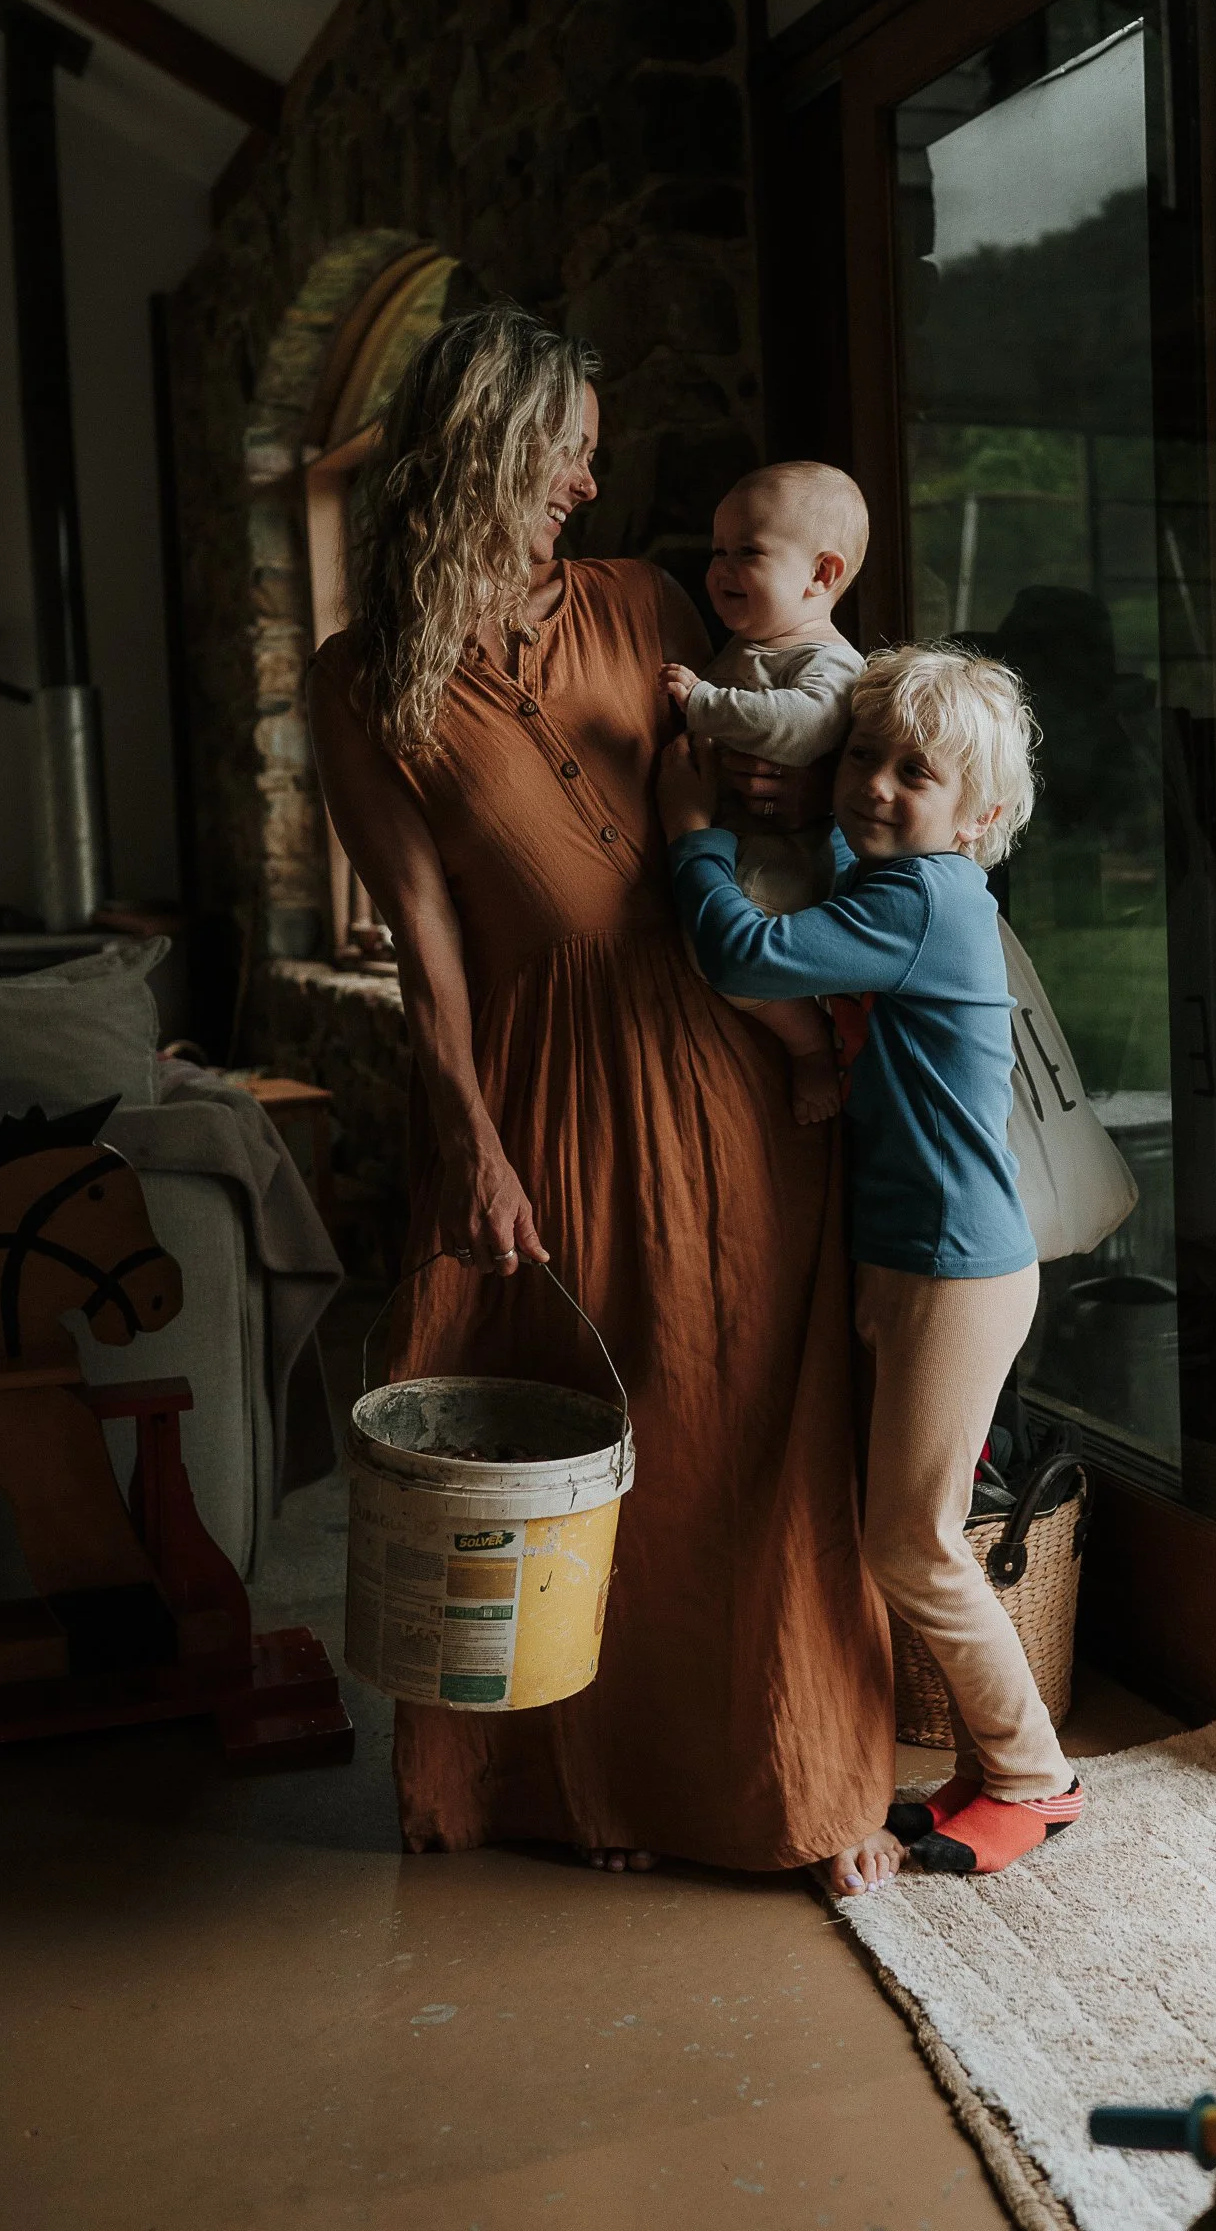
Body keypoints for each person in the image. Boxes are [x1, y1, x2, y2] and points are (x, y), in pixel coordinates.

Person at [307, 301, 899, 1893]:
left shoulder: (646, 598)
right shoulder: (360, 679)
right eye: (565, 452)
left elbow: (808, 741)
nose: (585, 484)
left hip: (723, 1045)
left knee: (749, 1425)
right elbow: (425, 939)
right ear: (490, 450)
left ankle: (798, 1786)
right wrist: (471, 1143)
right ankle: (588, 1790)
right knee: (591, 1427)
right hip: (551, 1082)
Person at [659, 643, 1086, 1878]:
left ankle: (1033, 1777)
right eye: (861, 756)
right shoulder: (893, 884)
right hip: (917, 1258)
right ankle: (986, 1768)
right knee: (910, 1525)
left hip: (955, 1270)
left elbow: (740, 953)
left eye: (916, 772)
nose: (876, 787)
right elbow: (840, 866)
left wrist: (693, 835)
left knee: (914, 1540)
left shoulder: (923, 903)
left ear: (981, 818)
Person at [658, 460, 869, 1124]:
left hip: (781, 859)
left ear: (822, 575)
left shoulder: (827, 660)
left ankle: (808, 1043)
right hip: (733, 838)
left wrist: (702, 702)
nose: (720, 569)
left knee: (726, 960)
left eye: (746, 551)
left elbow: (802, 730)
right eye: (716, 551)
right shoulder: (752, 644)